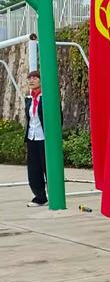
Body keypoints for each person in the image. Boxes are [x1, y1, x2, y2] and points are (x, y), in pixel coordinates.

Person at [24, 70, 48, 207]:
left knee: (48, 167)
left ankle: (55, 194)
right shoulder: (29, 99)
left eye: (35, 78)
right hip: (32, 137)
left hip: (44, 138)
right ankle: (40, 197)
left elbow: (58, 118)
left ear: (41, 80)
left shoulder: (46, 97)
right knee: (33, 170)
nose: (31, 80)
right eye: (29, 78)